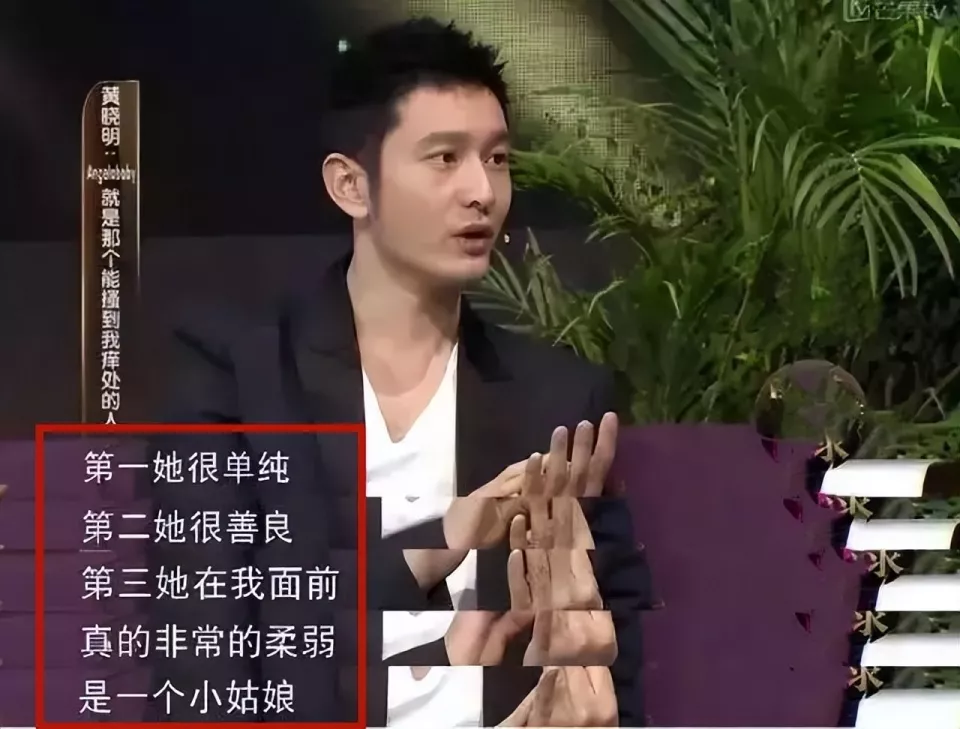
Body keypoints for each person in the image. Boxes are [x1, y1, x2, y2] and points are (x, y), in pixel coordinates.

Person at [146, 17, 651, 727]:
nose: (482, 190)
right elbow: (211, 641)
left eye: (497, 159)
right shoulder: (240, 378)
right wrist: (441, 539)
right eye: (444, 158)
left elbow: (607, 652)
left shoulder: (561, 401)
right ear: (352, 185)